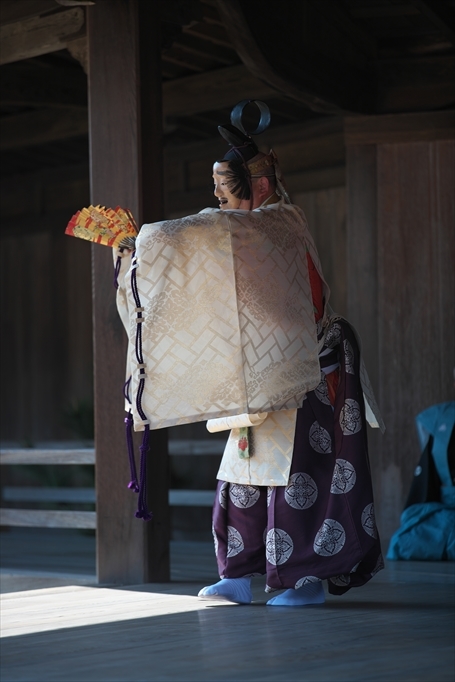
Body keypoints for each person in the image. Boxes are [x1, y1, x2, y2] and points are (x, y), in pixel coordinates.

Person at [115, 101, 384, 606]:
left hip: (301, 369)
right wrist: (138, 252)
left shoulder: (277, 224)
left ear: (259, 187)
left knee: (295, 478)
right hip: (256, 368)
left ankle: (303, 579)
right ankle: (238, 573)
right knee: (241, 476)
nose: (216, 201)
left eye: (224, 190)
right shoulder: (239, 235)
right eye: (214, 191)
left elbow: (209, 231)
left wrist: (148, 240)